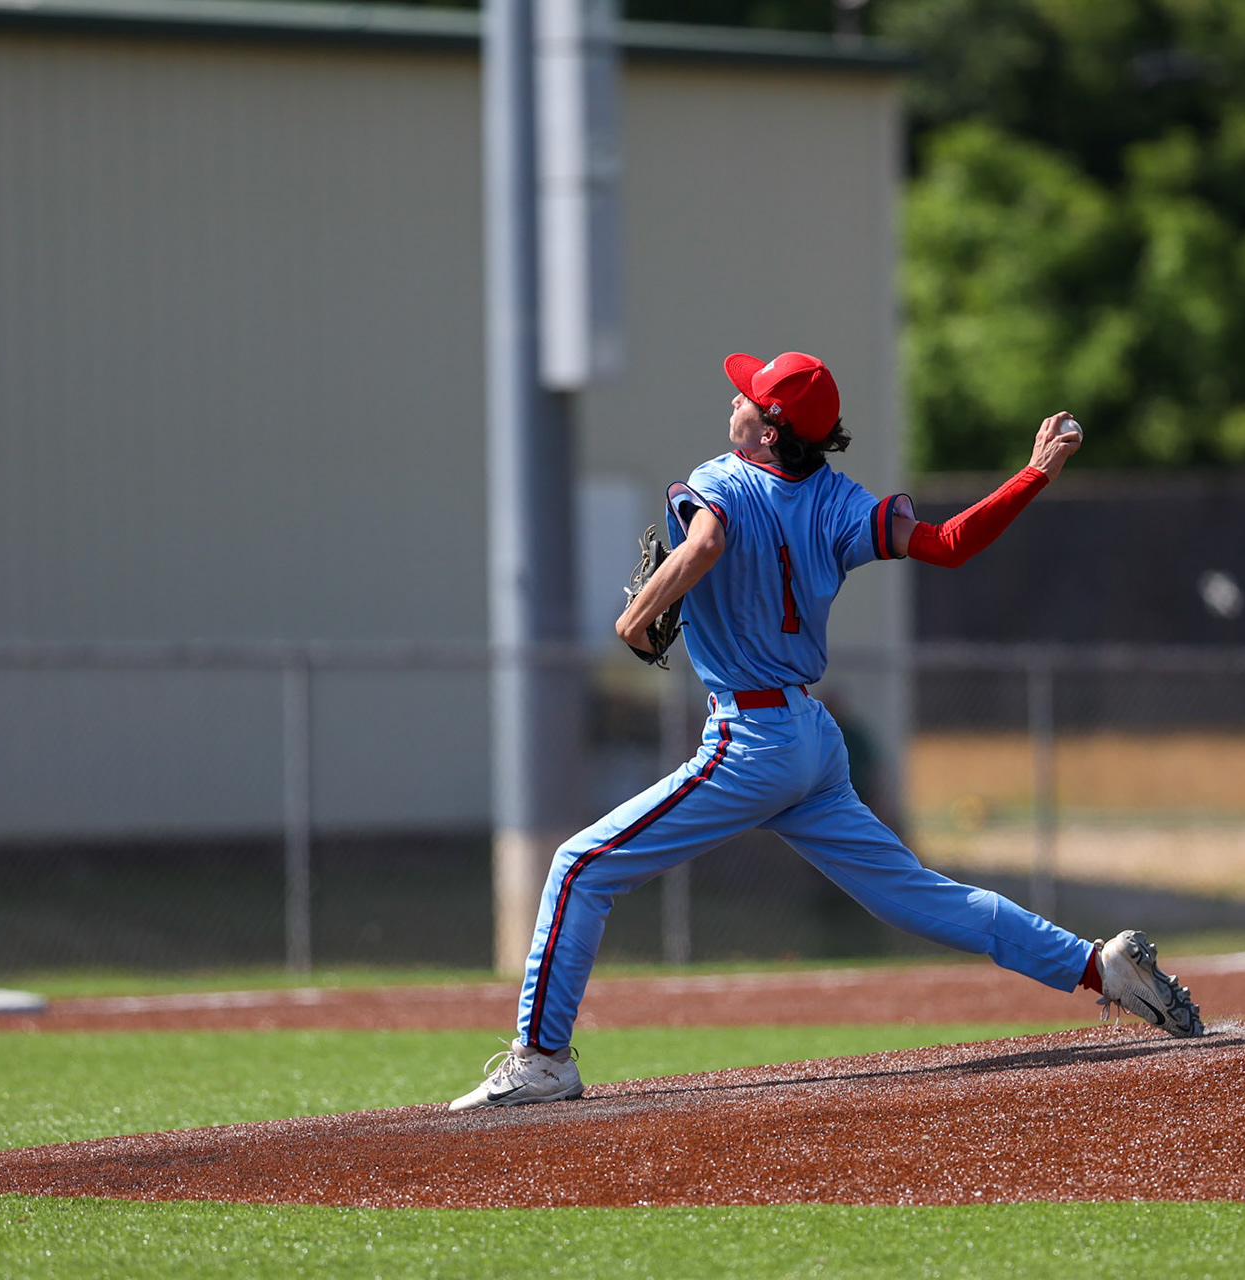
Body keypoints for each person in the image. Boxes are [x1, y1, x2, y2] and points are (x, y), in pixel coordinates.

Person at [450, 352, 1204, 1112]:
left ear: (772, 432)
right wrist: (1033, 473)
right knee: (919, 897)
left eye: (750, 396)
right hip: (811, 736)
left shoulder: (726, 477)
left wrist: (637, 614)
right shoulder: (842, 501)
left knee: (580, 867)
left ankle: (543, 1060)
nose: (736, 398)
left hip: (752, 740)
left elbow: (706, 544)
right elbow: (948, 545)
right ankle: (1099, 968)